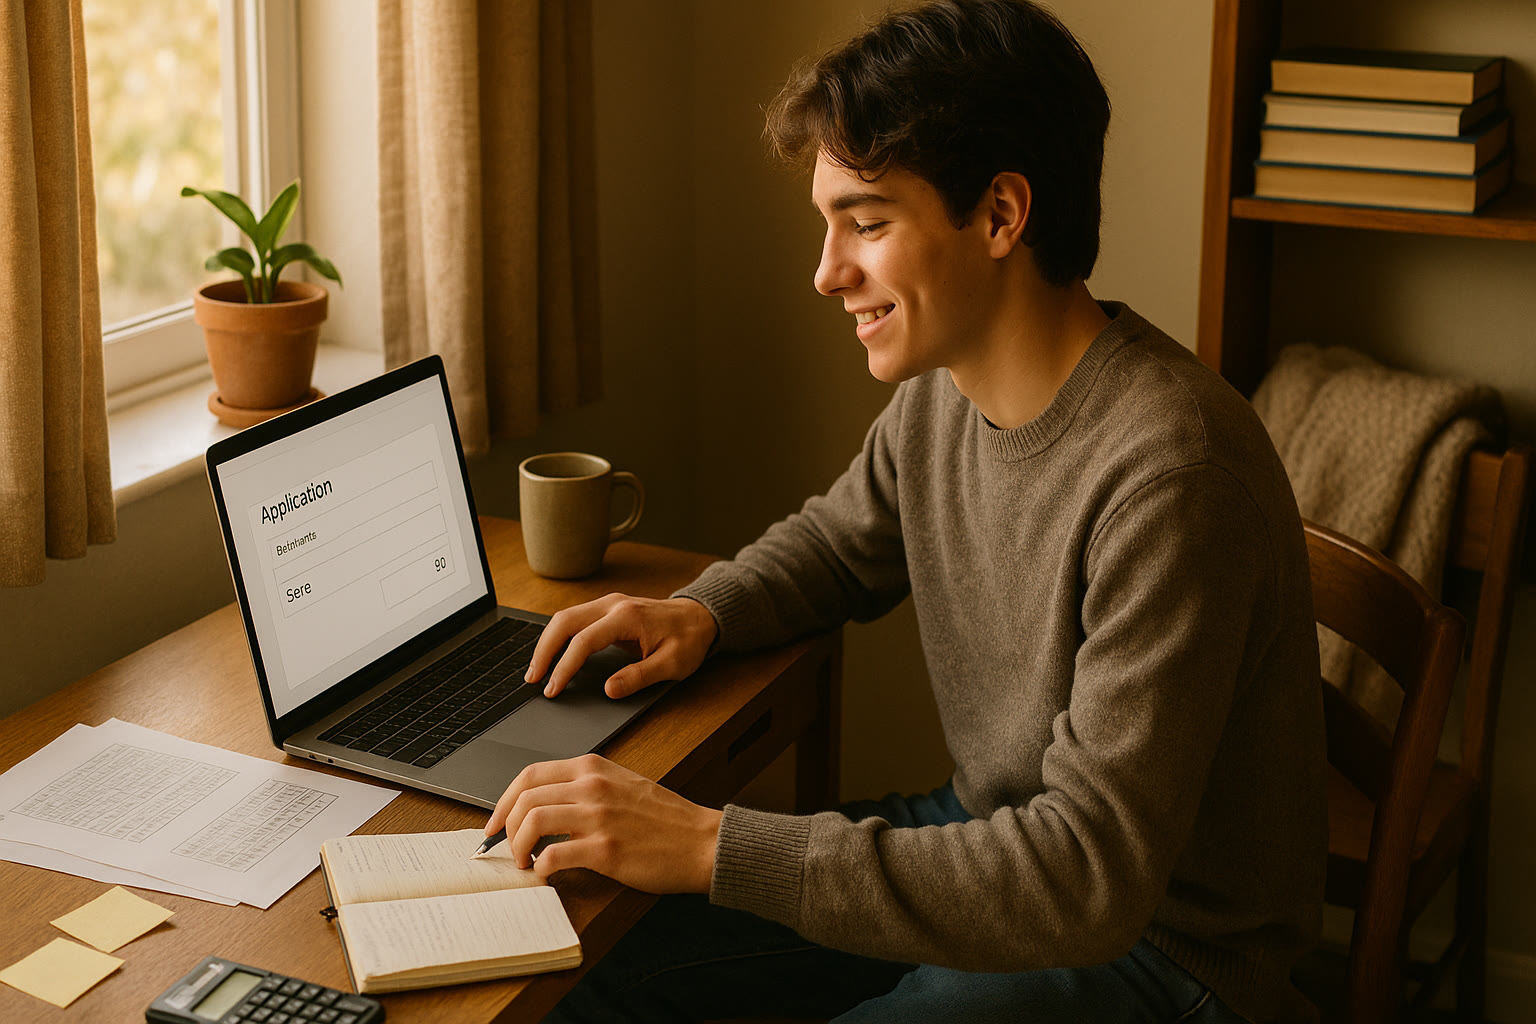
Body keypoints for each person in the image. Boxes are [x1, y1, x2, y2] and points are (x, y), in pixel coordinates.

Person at [484, 1, 1327, 1020]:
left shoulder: (1173, 474)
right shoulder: (945, 391)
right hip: (990, 834)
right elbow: (840, 545)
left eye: (867, 223)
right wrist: (704, 612)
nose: (827, 271)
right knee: (596, 959)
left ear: (1002, 216)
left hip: (1160, 954)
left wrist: (710, 842)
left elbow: (1086, 877)